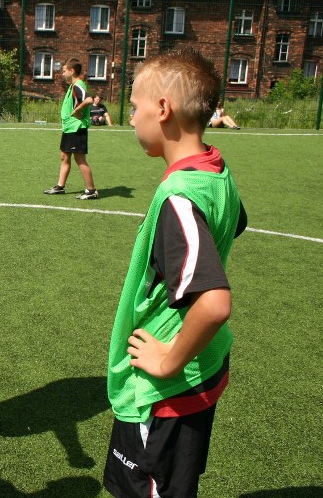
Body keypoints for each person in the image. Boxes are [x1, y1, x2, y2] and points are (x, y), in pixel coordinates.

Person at [104, 48, 247, 498]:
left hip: (164, 392)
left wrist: (167, 360)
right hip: (203, 369)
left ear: (162, 109)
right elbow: (236, 221)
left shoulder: (178, 197)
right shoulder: (215, 168)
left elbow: (214, 303)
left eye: (133, 106)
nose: (130, 118)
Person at [43, 58, 98, 199]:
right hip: (69, 128)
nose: (62, 73)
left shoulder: (78, 85)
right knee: (64, 156)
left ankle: (91, 191)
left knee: (80, 159)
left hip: (76, 128)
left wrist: (76, 111)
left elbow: (89, 100)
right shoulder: (72, 86)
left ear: (71, 71)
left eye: (64, 70)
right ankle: (60, 187)